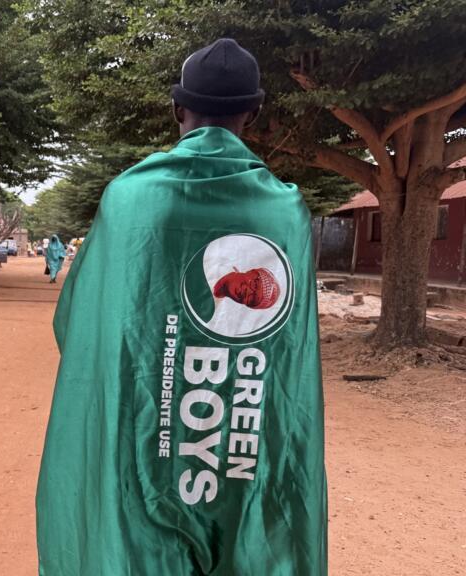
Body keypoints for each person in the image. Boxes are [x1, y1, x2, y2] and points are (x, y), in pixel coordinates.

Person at [36, 39, 326, 576]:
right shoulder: (284, 210)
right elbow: (292, 346)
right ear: (254, 114)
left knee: (137, 538)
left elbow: (82, 314)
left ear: (178, 110)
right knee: (245, 537)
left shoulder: (131, 196)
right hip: (245, 433)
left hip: (144, 425)